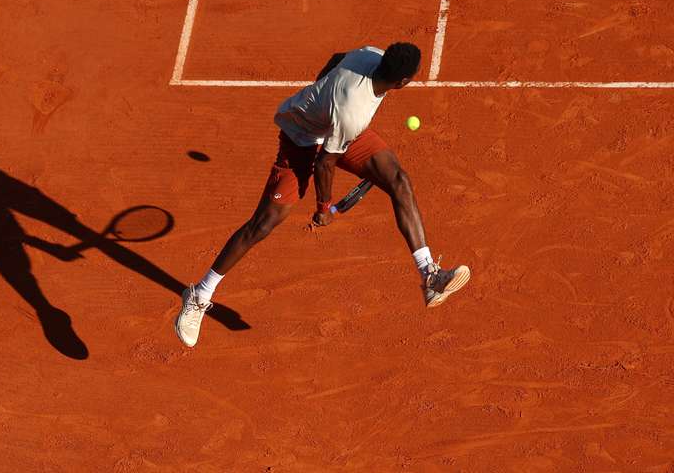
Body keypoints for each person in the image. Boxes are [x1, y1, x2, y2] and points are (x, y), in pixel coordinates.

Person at [175, 43, 470, 347]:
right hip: (301, 138)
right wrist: (324, 208)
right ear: (402, 83)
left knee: (399, 180)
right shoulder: (353, 111)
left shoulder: (370, 54)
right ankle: (198, 295)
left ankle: (429, 276)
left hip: (338, 130)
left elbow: (336, 58)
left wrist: (324, 97)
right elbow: (324, 163)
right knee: (263, 223)